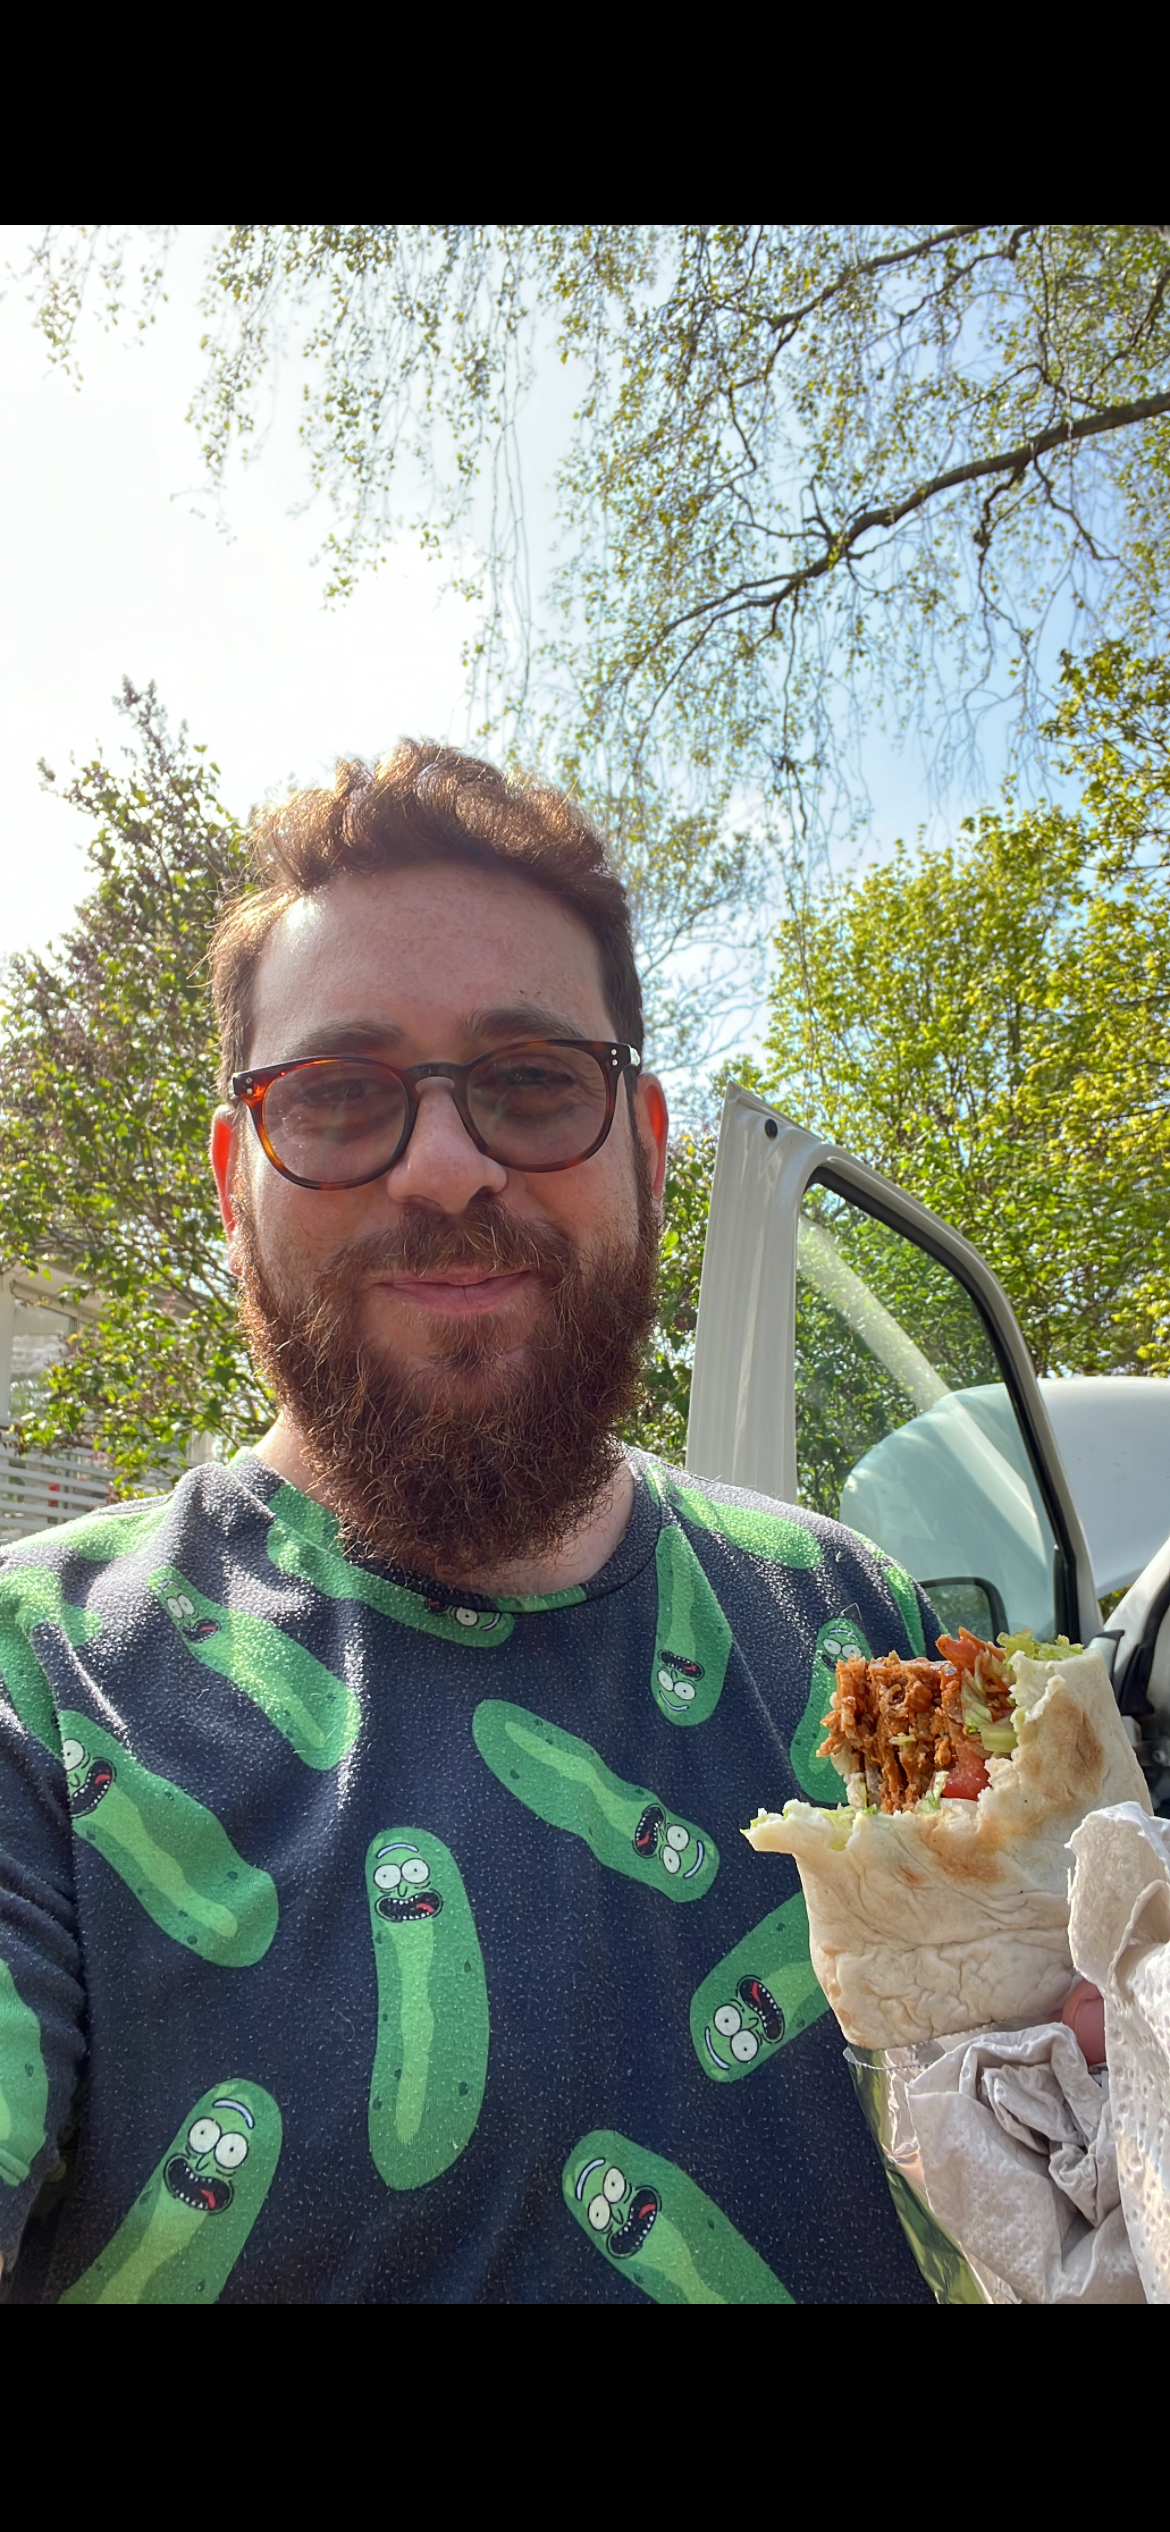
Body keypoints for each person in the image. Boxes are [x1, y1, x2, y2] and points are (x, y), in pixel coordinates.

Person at [0, 743, 939, 2305]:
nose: (445, 1169)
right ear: (235, 1183)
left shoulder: (856, 1620)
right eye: (337, 1095)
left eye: (531, 1081)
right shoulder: (39, 1681)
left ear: (645, 1152)